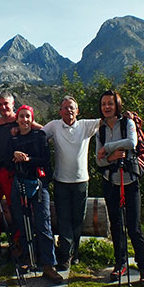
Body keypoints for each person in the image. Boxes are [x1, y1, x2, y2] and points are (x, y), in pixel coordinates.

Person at [96, 90, 144, 286]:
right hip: (111, 181)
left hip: (130, 180)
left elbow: (131, 142)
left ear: (117, 105)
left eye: (110, 103)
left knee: (134, 227)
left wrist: (107, 148)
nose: (107, 107)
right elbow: (98, 160)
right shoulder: (100, 130)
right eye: (104, 104)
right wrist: (110, 156)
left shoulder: (127, 123)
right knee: (117, 226)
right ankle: (120, 264)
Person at [42, 95, 101, 271]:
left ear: (77, 111)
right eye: (65, 107)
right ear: (60, 111)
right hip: (61, 181)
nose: (69, 110)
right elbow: (38, 135)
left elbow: (107, 120)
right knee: (64, 219)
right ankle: (65, 256)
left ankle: (74, 253)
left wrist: (127, 117)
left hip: (81, 181)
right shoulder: (54, 126)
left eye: (72, 107)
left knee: (78, 219)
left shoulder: (85, 125)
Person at [7, 105, 62, 284]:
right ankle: (27, 257)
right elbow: (7, 160)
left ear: (32, 118)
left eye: (27, 117)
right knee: (22, 221)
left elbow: (45, 159)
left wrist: (28, 159)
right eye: (21, 117)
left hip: (39, 184)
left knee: (43, 222)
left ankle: (48, 264)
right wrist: (13, 155)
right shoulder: (13, 139)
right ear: (17, 119)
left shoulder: (40, 136)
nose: (24, 120)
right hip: (19, 183)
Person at [0, 90, 42, 256]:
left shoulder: (20, 120)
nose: (3, 107)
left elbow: (41, 130)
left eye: (6, 104)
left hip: (12, 171)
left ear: (13, 104)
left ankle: (17, 241)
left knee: (14, 206)